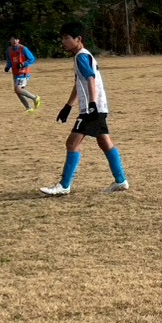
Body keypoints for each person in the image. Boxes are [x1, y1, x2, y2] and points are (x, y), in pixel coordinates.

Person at [39, 22, 129, 196]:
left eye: (67, 38)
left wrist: (92, 104)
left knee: (72, 143)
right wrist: (68, 106)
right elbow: (79, 83)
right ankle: (120, 180)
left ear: (78, 39)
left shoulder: (81, 56)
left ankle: (64, 186)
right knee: (104, 142)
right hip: (97, 107)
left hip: (91, 109)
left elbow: (90, 78)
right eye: (62, 38)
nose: (63, 42)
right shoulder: (82, 56)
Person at [6, 37, 42, 113]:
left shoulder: (23, 49)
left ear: (18, 40)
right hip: (15, 74)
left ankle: (35, 98)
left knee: (17, 89)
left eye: (16, 39)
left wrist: (23, 64)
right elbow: (10, 61)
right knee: (18, 92)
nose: (15, 41)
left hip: (23, 72)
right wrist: (7, 67)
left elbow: (32, 59)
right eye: (12, 39)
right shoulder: (9, 50)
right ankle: (29, 108)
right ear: (9, 40)